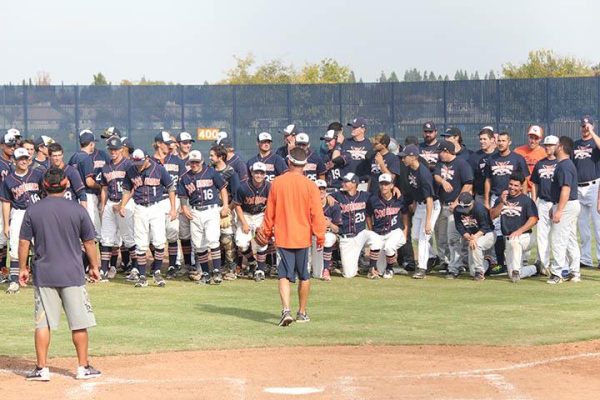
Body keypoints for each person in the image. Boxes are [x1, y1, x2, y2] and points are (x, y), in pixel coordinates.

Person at [18, 167, 101, 381]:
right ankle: (83, 367)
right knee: (79, 322)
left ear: (44, 186)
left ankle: (41, 368)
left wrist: (23, 268)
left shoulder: (33, 210)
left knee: (42, 323)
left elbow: (24, 242)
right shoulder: (77, 209)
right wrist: (94, 266)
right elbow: (89, 242)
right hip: (72, 273)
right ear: (65, 184)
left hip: (44, 274)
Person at [257, 147, 327, 327]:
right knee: (304, 276)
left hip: (283, 236)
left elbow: (269, 213)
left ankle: (285, 310)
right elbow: (317, 215)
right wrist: (320, 236)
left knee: (283, 275)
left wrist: (265, 232)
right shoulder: (311, 185)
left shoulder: (277, 183)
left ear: (289, 162)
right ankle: (302, 313)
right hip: (303, 238)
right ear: (304, 165)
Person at [119, 149, 176, 287]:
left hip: (156, 207)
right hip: (139, 207)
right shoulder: (131, 170)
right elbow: (127, 189)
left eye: (140, 161)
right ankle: (142, 276)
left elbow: (171, 188)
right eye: (135, 161)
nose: (138, 164)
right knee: (141, 242)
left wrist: (173, 208)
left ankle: (157, 272)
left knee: (159, 241)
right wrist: (122, 205)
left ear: (147, 158)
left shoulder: (159, 169)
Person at [178, 150, 229, 284]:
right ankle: (206, 273)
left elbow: (223, 188)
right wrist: (184, 208)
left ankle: (217, 271)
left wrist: (225, 206)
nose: (194, 164)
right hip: (195, 211)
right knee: (199, 244)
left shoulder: (211, 172)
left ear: (201, 161)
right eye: (192, 162)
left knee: (213, 240)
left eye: (196, 162)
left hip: (210, 210)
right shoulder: (185, 177)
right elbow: (183, 196)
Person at [1, 148, 44, 294]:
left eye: (25, 158)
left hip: (37, 212)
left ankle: (41, 279)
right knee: (15, 245)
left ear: (29, 159)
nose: (24, 161)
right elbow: (6, 202)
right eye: (20, 159)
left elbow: (45, 194)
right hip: (19, 213)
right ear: (14, 160)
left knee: (40, 245)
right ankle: (14, 281)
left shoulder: (37, 175)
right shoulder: (8, 180)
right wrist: (6, 224)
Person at [483, 131, 529, 269]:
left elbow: (525, 179)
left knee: (515, 227)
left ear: (509, 142)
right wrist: (486, 200)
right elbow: (488, 180)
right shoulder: (491, 159)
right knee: (497, 229)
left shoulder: (517, 158)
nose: (501, 143)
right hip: (497, 197)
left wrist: (523, 197)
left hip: (514, 197)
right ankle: (500, 262)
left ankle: (520, 260)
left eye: (504, 140)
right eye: (499, 141)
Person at [433, 141, 473, 278]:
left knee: (453, 238)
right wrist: (443, 182)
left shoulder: (461, 164)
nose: (440, 154)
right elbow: (436, 175)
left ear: (448, 151)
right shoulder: (441, 163)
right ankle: (450, 262)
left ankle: (455, 268)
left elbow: (468, 184)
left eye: (442, 152)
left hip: (455, 207)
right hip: (442, 204)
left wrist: (457, 202)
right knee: (442, 237)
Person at [98, 137, 137, 281]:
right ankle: (103, 269)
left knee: (128, 237)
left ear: (121, 149)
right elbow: (104, 187)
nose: (113, 151)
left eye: (116, 149)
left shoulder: (129, 165)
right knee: (107, 237)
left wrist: (122, 204)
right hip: (110, 203)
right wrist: (103, 205)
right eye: (111, 149)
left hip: (126, 203)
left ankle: (135, 268)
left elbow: (133, 187)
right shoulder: (106, 166)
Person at [489, 173, 539, 283]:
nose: (512, 187)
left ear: (521, 187)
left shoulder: (526, 200)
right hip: (508, 238)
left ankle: (516, 270)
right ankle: (535, 268)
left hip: (525, 237)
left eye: (516, 185)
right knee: (511, 275)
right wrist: (502, 202)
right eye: (511, 184)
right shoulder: (501, 198)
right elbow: (492, 215)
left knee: (514, 241)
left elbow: (534, 219)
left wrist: (519, 231)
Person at [401, 144, 440, 279]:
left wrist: (428, 222)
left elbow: (429, 200)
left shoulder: (423, 174)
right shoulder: (409, 169)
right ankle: (433, 256)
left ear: (413, 157)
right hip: (420, 204)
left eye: (405, 156)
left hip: (431, 206)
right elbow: (414, 189)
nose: (403, 159)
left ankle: (422, 268)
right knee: (415, 237)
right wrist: (414, 202)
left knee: (424, 236)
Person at [332, 172, 382, 278]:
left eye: (346, 181)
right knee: (349, 274)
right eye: (343, 181)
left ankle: (372, 268)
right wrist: (327, 198)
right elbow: (321, 197)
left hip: (360, 234)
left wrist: (394, 189)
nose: (343, 183)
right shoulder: (337, 196)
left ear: (354, 183)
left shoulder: (364, 196)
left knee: (376, 238)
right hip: (346, 238)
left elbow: (382, 197)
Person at [548, 136, 581, 284]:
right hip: (570, 205)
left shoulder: (564, 165)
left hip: (566, 206)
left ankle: (557, 273)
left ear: (560, 147)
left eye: (555, 145)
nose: (553, 147)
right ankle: (575, 272)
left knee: (558, 239)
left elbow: (566, 189)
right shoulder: (566, 164)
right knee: (570, 240)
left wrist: (559, 210)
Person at [233, 161, 271, 281]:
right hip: (246, 214)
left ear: (265, 174)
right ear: (252, 173)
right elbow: (237, 205)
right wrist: (244, 223)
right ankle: (251, 261)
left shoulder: (269, 187)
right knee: (241, 243)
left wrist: (265, 223)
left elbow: (271, 206)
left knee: (262, 241)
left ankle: (260, 270)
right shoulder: (243, 186)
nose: (258, 175)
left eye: (261, 173)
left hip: (261, 215)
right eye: (256, 172)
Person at [366, 173, 408, 279]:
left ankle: (390, 268)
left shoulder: (398, 198)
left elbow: (405, 213)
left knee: (389, 247)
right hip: (379, 232)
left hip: (395, 231)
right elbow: (368, 215)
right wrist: (371, 230)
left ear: (392, 185)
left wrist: (406, 229)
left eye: (386, 184)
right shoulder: (373, 199)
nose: (384, 186)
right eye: (382, 184)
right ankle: (373, 269)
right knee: (380, 270)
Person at [209, 144, 240, 281]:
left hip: (226, 208)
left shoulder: (231, 172)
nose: (210, 158)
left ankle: (232, 268)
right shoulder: (210, 171)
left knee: (227, 240)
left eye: (212, 155)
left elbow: (237, 194)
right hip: (211, 209)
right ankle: (220, 266)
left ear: (220, 157)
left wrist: (228, 209)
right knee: (215, 240)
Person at [573, 116, 600, 268]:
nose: (585, 128)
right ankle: (585, 259)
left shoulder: (595, 143)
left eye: (587, 125)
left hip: (595, 186)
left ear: (593, 126)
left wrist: (592, 133)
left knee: (598, 224)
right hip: (578, 187)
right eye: (583, 126)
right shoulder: (576, 144)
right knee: (582, 225)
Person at [530, 135, 559, 276]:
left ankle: (561, 264)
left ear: (557, 146)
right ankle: (544, 264)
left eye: (551, 145)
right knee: (542, 235)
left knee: (558, 235)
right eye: (546, 145)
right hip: (542, 202)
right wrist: (534, 201)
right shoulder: (540, 164)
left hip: (557, 203)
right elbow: (534, 183)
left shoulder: (561, 163)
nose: (548, 147)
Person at [453, 192, 495, 280]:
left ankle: (479, 272)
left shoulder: (480, 209)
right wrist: (465, 234)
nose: (464, 210)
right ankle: (487, 262)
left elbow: (486, 227)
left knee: (476, 244)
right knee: (472, 272)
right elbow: (459, 225)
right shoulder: (457, 210)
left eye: (466, 207)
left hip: (487, 234)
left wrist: (474, 237)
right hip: (472, 236)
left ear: (472, 203)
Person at [314, 179, 341, 281]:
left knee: (328, 238)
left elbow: (337, 229)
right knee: (316, 274)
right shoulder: (308, 204)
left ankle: (326, 269)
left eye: (323, 189)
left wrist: (329, 224)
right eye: (318, 189)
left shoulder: (333, 205)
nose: (321, 191)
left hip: (328, 234)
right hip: (313, 237)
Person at [336, 117, 373, 184]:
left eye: (355, 127)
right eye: (352, 127)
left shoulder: (370, 144)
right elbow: (335, 159)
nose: (352, 129)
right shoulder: (345, 142)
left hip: (363, 182)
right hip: (347, 181)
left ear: (363, 129)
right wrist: (338, 144)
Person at [468, 127, 497, 203]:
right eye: (480, 139)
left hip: (496, 195)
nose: (482, 141)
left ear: (492, 140)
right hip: (481, 195)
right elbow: (470, 177)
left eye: (485, 139)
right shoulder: (474, 157)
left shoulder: (498, 155)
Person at [514, 125, 546, 192]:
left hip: (538, 190)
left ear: (541, 139)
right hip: (520, 191)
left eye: (536, 138)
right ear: (528, 137)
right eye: (531, 137)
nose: (533, 141)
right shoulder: (518, 151)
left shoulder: (544, 153)